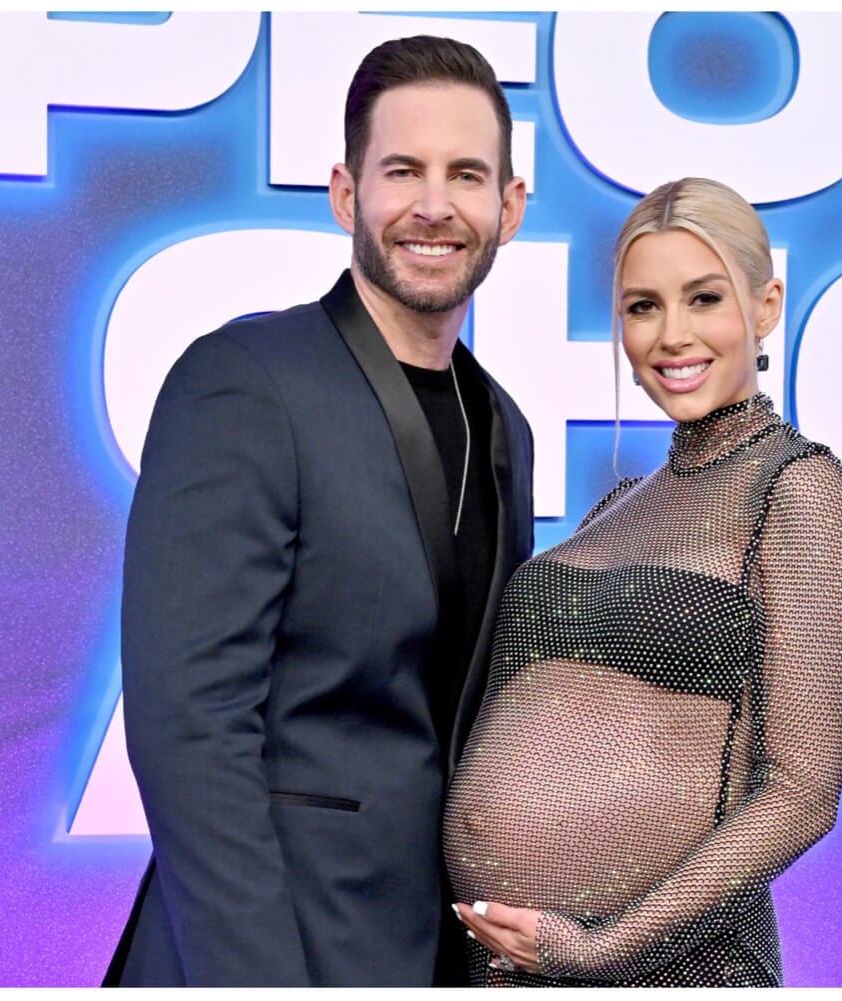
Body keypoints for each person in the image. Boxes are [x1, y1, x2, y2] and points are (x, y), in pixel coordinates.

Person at [103, 35, 533, 987]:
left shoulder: (506, 426)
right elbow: (190, 728)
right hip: (265, 949)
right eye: (402, 170)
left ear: (509, 206)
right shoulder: (245, 383)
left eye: (466, 174)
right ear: (347, 194)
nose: (434, 205)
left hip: (431, 953)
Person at [444, 177, 842, 986]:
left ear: (767, 304)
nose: (671, 335)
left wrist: (605, 947)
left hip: (673, 969)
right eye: (642, 306)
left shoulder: (795, 484)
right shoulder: (618, 504)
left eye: (703, 299)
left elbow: (804, 791)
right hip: (511, 968)